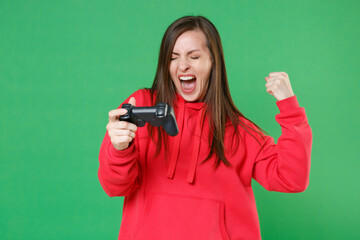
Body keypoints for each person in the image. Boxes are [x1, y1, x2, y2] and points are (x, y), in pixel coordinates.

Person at [98, 16, 312, 240]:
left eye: (195, 56)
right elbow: (113, 186)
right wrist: (120, 148)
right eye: (173, 58)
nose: (183, 66)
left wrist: (289, 107)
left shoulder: (240, 132)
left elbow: (292, 179)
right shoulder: (142, 107)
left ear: (213, 62)